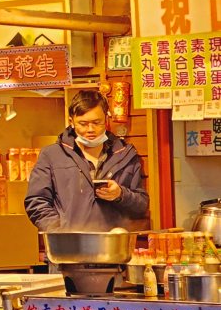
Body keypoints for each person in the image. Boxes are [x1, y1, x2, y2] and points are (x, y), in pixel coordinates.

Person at [24, 89, 149, 232]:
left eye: (97, 122)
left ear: (106, 120)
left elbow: (140, 206)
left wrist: (120, 194)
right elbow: (36, 201)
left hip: (112, 248)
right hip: (67, 249)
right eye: (83, 123)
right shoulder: (51, 155)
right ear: (71, 122)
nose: (90, 129)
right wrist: (59, 232)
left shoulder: (125, 155)